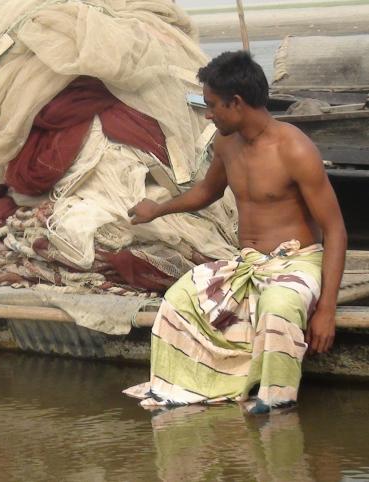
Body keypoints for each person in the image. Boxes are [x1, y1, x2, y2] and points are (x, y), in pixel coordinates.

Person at [123, 51, 346, 413]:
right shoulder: (226, 143)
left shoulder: (295, 149)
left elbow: (336, 230)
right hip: (247, 262)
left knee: (279, 305)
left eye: (212, 105)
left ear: (236, 102)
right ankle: (181, 388)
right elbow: (206, 192)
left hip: (297, 262)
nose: (208, 113)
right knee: (180, 298)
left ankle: (276, 401)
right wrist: (157, 208)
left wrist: (327, 311)